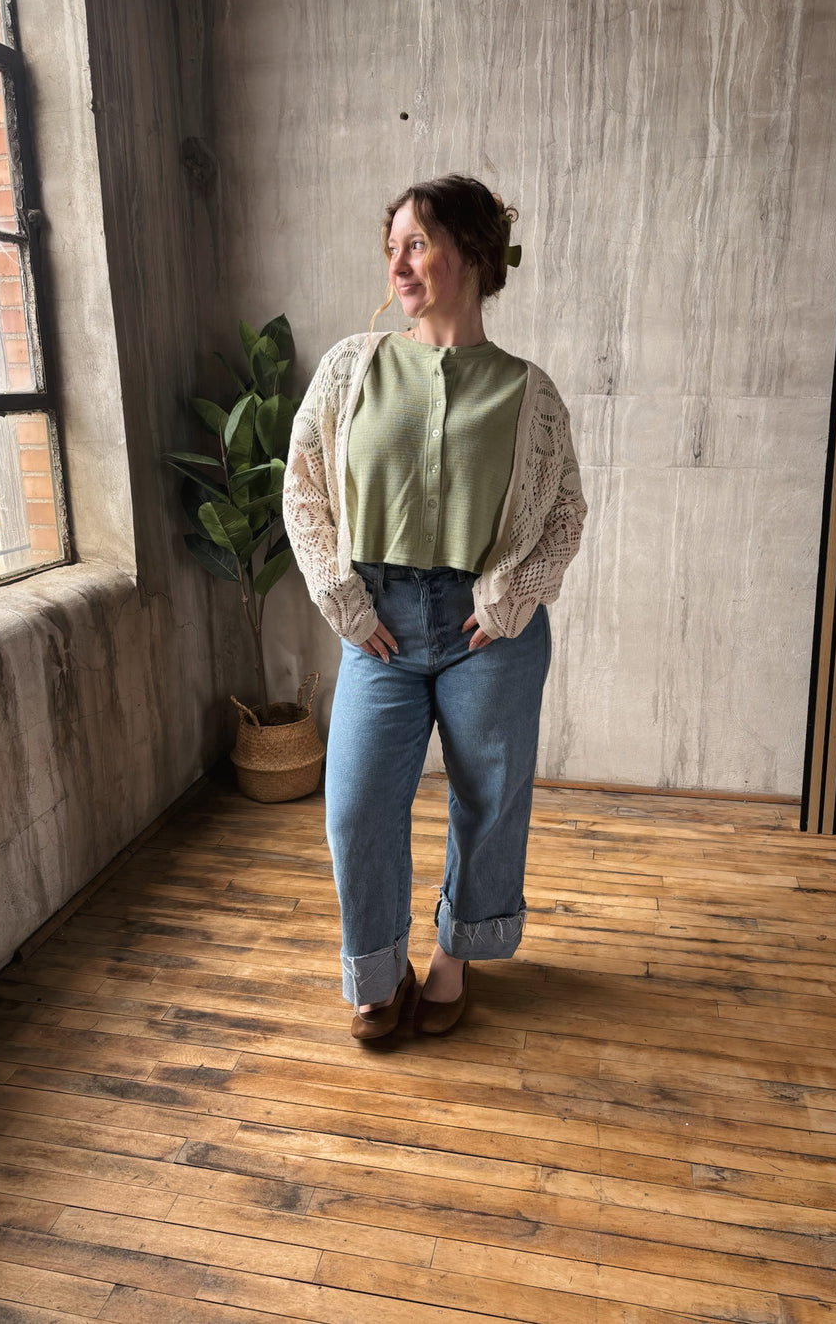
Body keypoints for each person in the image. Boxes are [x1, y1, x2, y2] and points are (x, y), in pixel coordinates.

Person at [284, 174, 586, 1041]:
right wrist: (341, 597)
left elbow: (564, 512)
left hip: (485, 627)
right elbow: (303, 487)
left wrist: (513, 597)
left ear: (472, 253)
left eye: (416, 242)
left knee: (489, 797)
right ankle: (378, 969)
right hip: (377, 619)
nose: (399, 262)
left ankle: (454, 956)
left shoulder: (531, 395)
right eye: (393, 247)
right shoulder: (355, 366)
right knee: (355, 804)